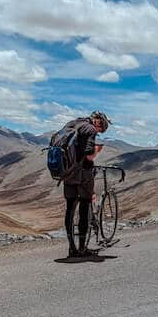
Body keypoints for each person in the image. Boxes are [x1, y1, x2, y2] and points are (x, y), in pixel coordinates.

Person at [63, 110, 111, 257]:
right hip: (83, 173)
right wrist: (98, 149)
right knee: (85, 206)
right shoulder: (89, 129)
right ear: (97, 121)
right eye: (100, 128)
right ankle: (82, 248)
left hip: (68, 172)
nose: (98, 131)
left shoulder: (73, 124)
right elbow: (89, 156)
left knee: (70, 207)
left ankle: (72, 247)